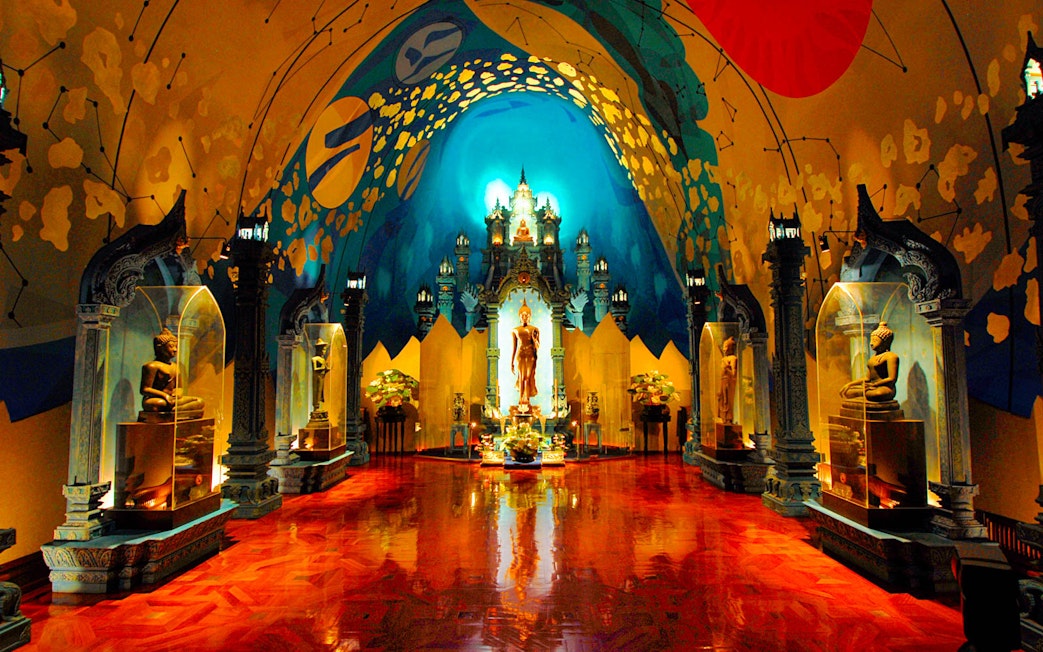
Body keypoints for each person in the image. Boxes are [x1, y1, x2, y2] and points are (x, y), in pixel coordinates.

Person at [140, 328, 204, 415]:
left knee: (199, 401)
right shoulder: (151, 366)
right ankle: (177, 411)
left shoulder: (175, 366)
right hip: (157, 399)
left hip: (173, 399)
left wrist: (177, 393)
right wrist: (164, 395)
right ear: (160, 348)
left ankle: (174, 411)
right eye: (171, 346)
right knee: (160, 404)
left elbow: (179, 387)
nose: (175, 349)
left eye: (176, 347)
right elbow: (145, 389)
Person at [840, 321, 899, 402]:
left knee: (876, 394)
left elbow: (892, 379)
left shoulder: (891, 356)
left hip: (885, 388)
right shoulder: (873, 358)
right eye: (871, 340)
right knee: (849, 391)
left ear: (885, 342)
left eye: (875, 340)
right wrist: (850, 384)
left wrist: (874, 384)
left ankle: (866, 393)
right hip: (871, 386)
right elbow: (867, 378)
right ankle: (865, 392)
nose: (871, 343)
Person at [511, 300, 540, 405]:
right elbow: (514, 347)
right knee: (521, 377)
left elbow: (537, 346)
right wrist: (511, 362)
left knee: (528, 377)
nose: (524, 317)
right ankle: (520, 401)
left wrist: (534, 338)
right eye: (522, 315)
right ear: (519, 316)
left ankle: (526, 400)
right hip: (520, 355)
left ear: (530, 316)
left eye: (526, 315)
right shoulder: (515, 330)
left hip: (530, 355)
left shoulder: (534, 329)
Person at [717, 337, 738, 422]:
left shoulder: (733, 358)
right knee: (722, 400)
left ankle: (729, 418)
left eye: (726, 346)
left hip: (728, 382)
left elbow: (734, 374)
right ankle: (723, 417)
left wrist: (727, 369)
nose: (724, 349)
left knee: (727, 400)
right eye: (724, 347)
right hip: (723, 381)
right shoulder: (724, 359)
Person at [311, 338, 330, 411]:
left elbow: (323, 369)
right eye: (322, 349)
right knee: (317, 392)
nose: (323, 351)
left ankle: (318, 406)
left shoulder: (322, 359)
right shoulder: (315, 359)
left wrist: (327, 369)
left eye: (324, 350)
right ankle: (316, 406)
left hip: (322, 377)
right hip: (317, 378)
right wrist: (323, 368)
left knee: (321, 392)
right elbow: (315, 368)